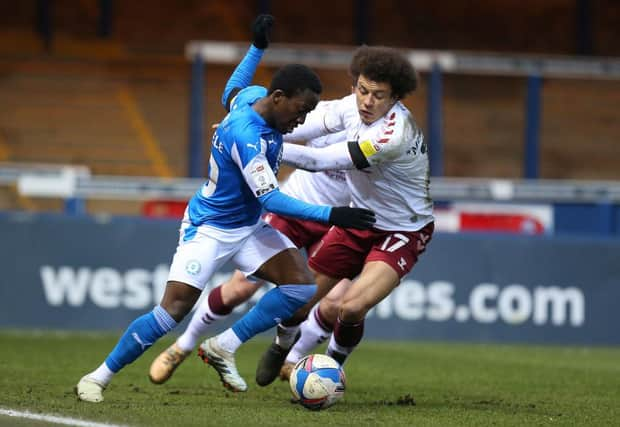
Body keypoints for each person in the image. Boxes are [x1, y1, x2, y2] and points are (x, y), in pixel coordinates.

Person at [74, 15, 375, 403]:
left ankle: (227, 346)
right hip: (210, 227)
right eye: (299, 111)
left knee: (300, 285)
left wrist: (256, 47)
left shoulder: (252, 99)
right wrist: (333, 215)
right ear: (279, 98)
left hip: (248, 227)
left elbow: (231, 90)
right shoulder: (247, 136)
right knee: (173, 310)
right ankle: (97, 377)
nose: (300, 120)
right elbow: (271, 200)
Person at [196, 44, 434, 391]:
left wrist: (252, 144)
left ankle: (331, 370)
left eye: (378, 96)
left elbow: (321, 160)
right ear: (355, 86)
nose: (367, 102)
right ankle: (282, 346)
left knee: (350, 307)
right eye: (362, 90)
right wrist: (249, 129)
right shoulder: (348, 108)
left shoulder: (393, 135)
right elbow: (292, 127)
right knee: (297, 296)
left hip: (403, 229)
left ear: (395, 98)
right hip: (360, 220)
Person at [148, 121, 355, 386]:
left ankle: (292, 359)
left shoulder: (384, 133)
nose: (368, 100)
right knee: (241, 287)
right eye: (362, 89)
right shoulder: (330, 114)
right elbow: (278, 129)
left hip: (336, 220)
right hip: (293, 209)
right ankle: (183, 345)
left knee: (334, 300)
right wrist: (239, 124)